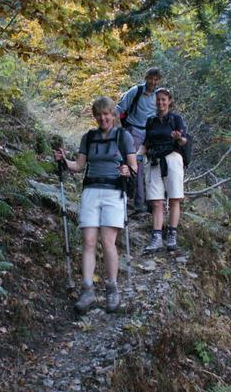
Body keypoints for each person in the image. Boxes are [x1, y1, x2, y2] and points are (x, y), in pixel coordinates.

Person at [54, 96, 137, 314]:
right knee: (88, 241)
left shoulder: (123, 136)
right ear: (95, 116)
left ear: (113, 115)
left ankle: (112, 288)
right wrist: (64, 161)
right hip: (91, 191)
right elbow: (79, 166)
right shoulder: (88, 137)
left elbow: (133, 166)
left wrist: (128, 171)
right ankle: (88, 289)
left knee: (108, 242)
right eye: (99, 114)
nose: (103, 118)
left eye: (106, 114)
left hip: (113, 193)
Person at [137, 87, 188, 252]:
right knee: (156, 201)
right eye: (158, 99)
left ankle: (172, 235)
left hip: (172, 159)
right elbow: (146, 143)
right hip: (154, 161)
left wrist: (178, 138)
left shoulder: (176, 119)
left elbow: (184, 141)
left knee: (174, 198)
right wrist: (135, 156)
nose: (160, 102)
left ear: (169, 101)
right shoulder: (150, 121)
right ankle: (157, 237)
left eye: (163, 99)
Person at [116, 67, 162, 213]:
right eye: (150, 78)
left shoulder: (158, 96)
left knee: (154, 167)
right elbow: (119, 109)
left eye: (156, 79)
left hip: (151, 135)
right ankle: (138, 203)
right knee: (137, 166)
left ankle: (151, 203)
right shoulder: (135, 91)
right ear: (145, 77)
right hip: (133, 132)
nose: (153, 82)